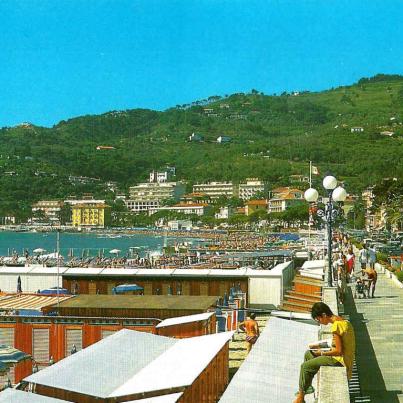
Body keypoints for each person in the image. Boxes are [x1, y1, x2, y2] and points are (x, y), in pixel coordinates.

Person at [293, 302, 355, 403]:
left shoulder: (336, 327)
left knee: (305, 366)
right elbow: (336, 343)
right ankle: (307, 387)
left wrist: (321, 353)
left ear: (324, 315)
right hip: (344, 358)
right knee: (308, 354)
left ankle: (301, 396)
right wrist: (319, 346)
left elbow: (338, 351)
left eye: (319, 319)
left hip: (340, 360)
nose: (319, 322)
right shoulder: (344, 322)